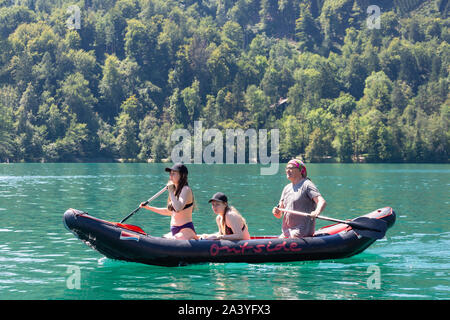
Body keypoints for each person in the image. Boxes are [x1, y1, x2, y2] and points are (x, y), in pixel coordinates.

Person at [140, 163, 197, 240]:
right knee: (163, 239)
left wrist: (170, 191)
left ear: (182, 175)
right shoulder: (174, 191)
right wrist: (148, 207)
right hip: (175, 230)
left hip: (186, 229)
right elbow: (169, 212)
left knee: (172, 241)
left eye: (174, 173)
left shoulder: (186, 189)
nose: (170, 176)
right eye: (170, 174)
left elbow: (178, 208)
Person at [272, 159, 326, 238]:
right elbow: (279, 214)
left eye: (291, 168)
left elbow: (321, 201)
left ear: (300, 171)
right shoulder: (286, 188)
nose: (288, 170)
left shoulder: (307, 184)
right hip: (287, 232)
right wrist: (276, 212)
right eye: (287, 168)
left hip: (301, 233)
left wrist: (316, 212)